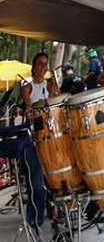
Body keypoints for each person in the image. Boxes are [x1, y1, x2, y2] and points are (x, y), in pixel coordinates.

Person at [20, 52, 59, 229]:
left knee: (53, 179)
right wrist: (30, 109)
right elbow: (29, 105)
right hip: (33, 137)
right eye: (40, 64)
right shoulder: (27, 87)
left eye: (45, 65)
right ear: (34, 67)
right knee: (35, 181)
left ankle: (54, 212)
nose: (43, 68)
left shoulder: (50, 86)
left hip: (49, 139)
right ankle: (35, 216)